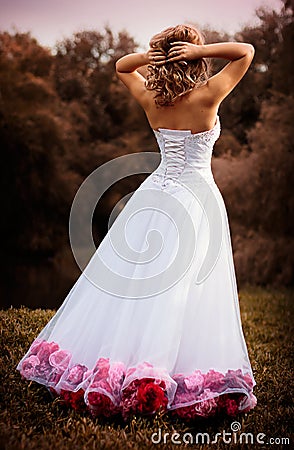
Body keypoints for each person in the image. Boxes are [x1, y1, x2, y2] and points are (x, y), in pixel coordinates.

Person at [16, 24, 257, 422]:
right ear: (195, 58)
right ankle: (162, 366)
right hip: (197, 197)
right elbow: (245, 51)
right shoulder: (210, 94)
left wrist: (156, 56)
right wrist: (195, 53)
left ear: (164, 56)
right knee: (185, 285)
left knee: (137, 283)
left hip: (155, 194)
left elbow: (122, 66)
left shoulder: (152, 99)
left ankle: (127, 359)